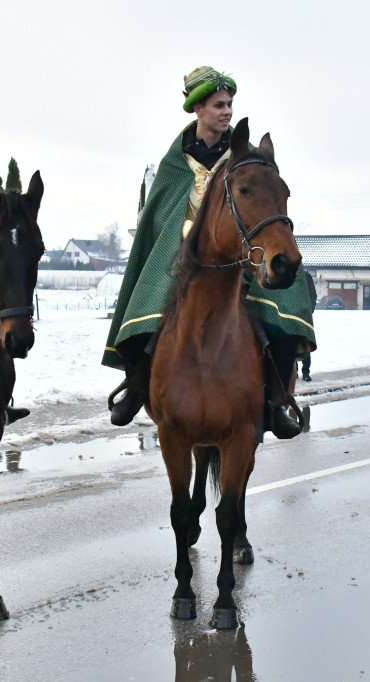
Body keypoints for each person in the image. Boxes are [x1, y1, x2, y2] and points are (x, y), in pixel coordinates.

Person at [101, 66, 316, 439]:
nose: (227, 112)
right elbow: (159, 218)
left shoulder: (244, 158)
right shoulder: (175, 163)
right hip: (180, 260)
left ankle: (278, 399)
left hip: (240, 257)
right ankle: (137, 386)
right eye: (218, 105)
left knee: (285, 308)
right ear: (197, 109)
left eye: (230, 104)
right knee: (142, 307)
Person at [300, 270, 316, 381]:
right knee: (291, 344)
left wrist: (309, 311)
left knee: (305, 344)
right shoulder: (286, 274)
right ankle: (293, 372)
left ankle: (306, 372)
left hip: (304, 315)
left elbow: (312, 295)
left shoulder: (306, 276)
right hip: (288, 315)